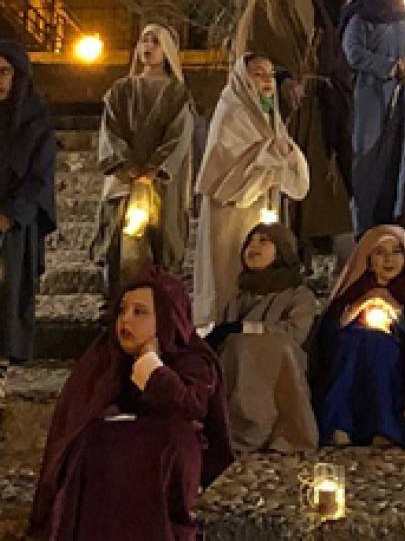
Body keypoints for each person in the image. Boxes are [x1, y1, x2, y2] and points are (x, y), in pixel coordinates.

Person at [28, 268, 234, 541]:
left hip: (165, 453)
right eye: (122, 310)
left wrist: (153, 369)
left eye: (140, 312)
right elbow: (79, 416)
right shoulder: (107, 356)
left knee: (169, 442)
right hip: (113, 451)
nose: (126, 320)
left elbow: (191, 406)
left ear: (166, 316)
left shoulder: (192, 358)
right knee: (92, 444)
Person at [234, 0, 354, 258]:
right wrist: (284, 80)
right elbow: (254, 50)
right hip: (281, 107)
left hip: (316, 104)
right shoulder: (265, 4)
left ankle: (311, 247)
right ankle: (280, 246)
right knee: (282, 176)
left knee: (317, 176)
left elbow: (331, 54)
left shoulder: (315, 6)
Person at [193, 54, 309, 328]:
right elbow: (228, 160)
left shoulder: (268, 114)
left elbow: (278, 149)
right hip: (232, 208)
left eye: (271, 75)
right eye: (258, 74)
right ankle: (221, 324)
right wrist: (268, 154)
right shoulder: (232, 110)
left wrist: (285, 154)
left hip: (261, 202)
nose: (267, 81)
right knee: (228, 267)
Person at [93, 24, 195, 294]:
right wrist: (126, 166)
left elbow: (179, 135)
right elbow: (111, 130)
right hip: (124, 180)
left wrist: (153, 170)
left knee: (162, 242)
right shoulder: (120, 90)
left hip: (161, 184)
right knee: (119, 243)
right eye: (144, 40)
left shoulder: (177, 94)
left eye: (156, 42)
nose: (148, 46)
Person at [204, 223, 319, 455]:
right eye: (250, 242)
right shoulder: (239, 298)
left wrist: (247, 329)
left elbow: (294, 334)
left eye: (264, 241)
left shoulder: (299, 296)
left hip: (279, 365)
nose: (253, 247)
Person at [313, 225, 405, 447]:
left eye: (396, 252)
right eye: (380, 252)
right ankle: (340, 424)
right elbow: (330, 330)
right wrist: (360, 305)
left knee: (378, 346)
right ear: (368, 259)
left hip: (393, 353)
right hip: (352, 351)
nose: (389, 259)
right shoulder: (355, 288)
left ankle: (383, 426)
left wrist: (395, 309)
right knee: (353, 342)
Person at [341, 0, 405, 231]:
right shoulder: (360, 14)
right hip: (372, 95)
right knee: (369, 158)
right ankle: (365, 226)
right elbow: (353, 53)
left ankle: (398, 220)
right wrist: (389, 67)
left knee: (402, 156)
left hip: (403, 96)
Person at [0, 41, 55, 382]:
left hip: (15, 226)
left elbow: (39, 177)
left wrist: (10, 216)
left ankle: (7, 350)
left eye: (4, 72)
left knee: (10, 287)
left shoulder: (36, 124)